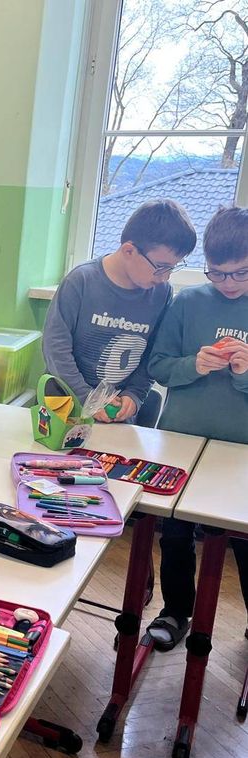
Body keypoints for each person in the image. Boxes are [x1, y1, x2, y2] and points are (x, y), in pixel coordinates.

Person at [146, 205, 248, 650]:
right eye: (217, 273)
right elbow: (158, 366)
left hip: (240, 451)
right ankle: (174, 612)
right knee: (175, 534)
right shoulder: (187, 302)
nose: (228, 284)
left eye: (241, 273)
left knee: (244, 542)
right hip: (182, 440)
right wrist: (194, 364)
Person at [42, 200, 196, 426]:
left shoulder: (161, 292)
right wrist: (87, 398)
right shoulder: (82, 281)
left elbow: (153, 354)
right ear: (129, 250)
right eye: (161, 267)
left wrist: (135, 395)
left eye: (173, 267)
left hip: (117, 414)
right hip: (66, 407)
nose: (165, 276)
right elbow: (55, 348)